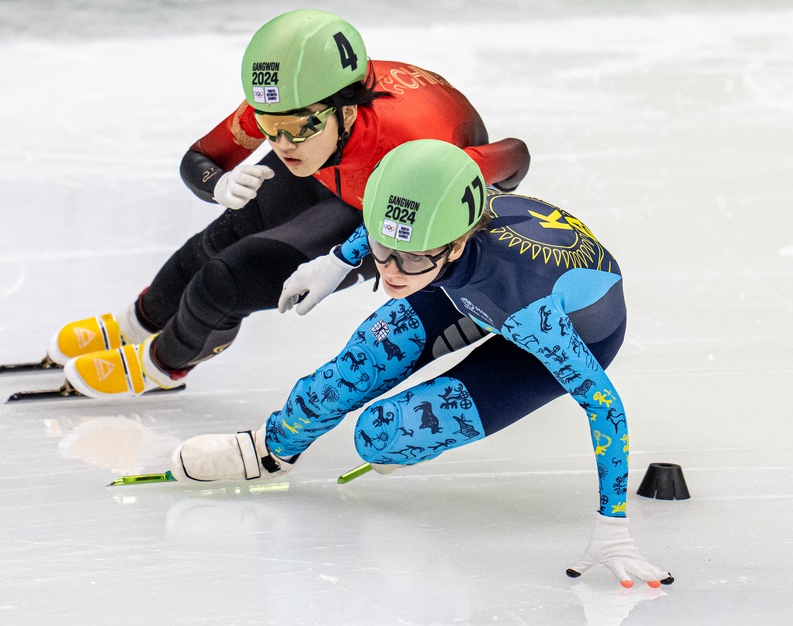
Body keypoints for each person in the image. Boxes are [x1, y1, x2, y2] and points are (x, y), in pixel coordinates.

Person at [169, 139, 674, 588]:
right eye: (384, 252)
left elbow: (603, 403)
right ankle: (269, 450)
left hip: (549, 328)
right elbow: (396, 229)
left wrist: (614, 526)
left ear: (456, 243)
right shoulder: (429, 228)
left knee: (381, 436)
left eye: (409, 260)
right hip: (467, 288)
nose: (389, 272)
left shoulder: (528, 305)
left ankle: (413, 436)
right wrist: (339, 261)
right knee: (366, 355)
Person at [46, 9, 530, 398]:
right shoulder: (300, 105)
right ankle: (137, 322)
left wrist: (450, 204)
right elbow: (202, 157)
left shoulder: (415, 148)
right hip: (338, 165)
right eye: (267, 125)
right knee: (217, 237)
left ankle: (161, 365)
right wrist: (217, 183)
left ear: (346, 108)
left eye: (293, 127)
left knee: (225, 281)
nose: (278, 142)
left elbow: (515, 156)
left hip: (390, 191)